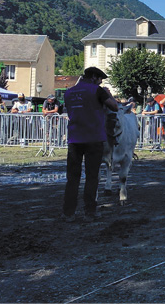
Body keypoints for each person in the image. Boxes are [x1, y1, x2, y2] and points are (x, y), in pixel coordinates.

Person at [62, 67, 119, 222]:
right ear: (94, 77)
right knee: (92, 176)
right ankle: (89, 212)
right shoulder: (97, 91)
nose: (101, 82)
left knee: (72, 178)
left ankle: (69, 213)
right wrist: (107, 94)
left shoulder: (69, 92)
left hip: (74, 139)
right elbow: (114, 106)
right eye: (100, 79)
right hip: (93, 138)